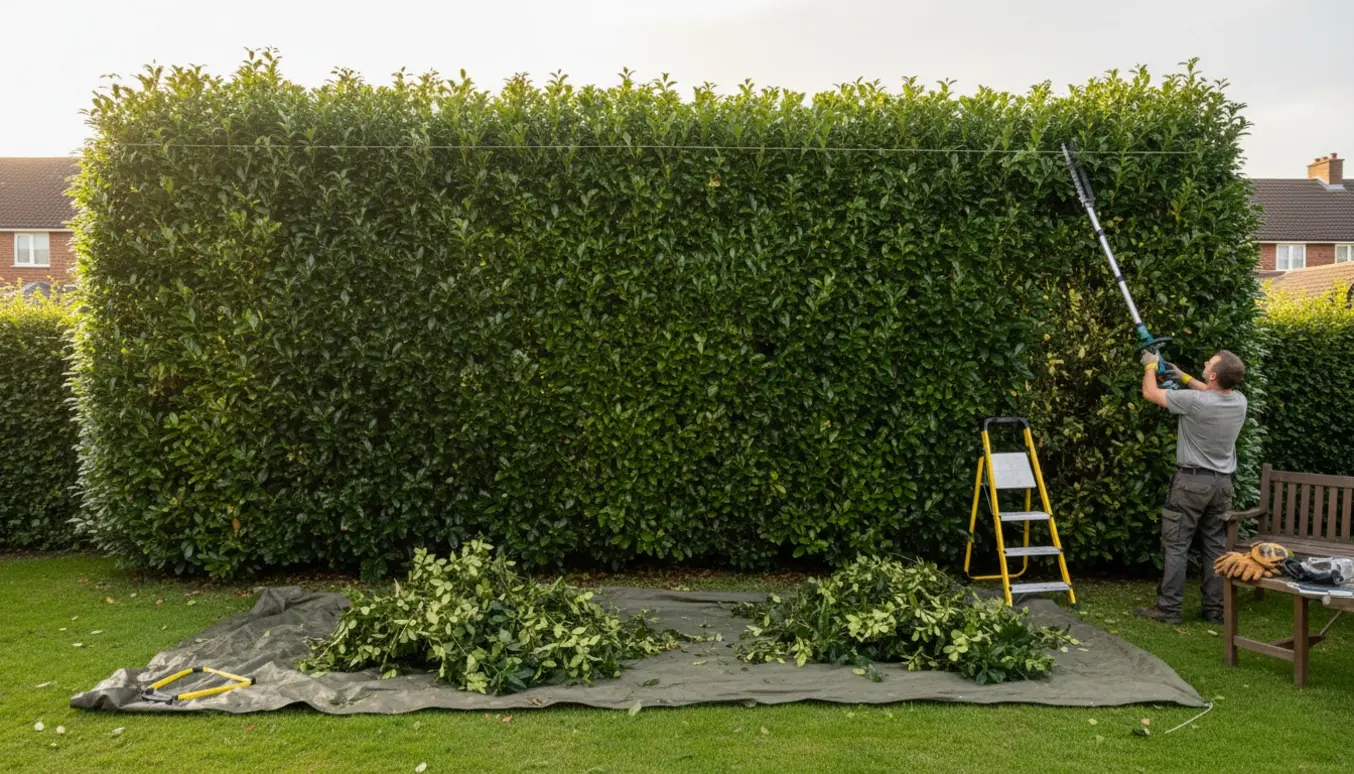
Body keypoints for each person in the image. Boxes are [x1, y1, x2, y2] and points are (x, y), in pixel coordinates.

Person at [1134, 350, 1248, 625]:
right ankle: (1215, 610)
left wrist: (1150, 367)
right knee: (1214, 546)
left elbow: (1151, 393)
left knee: (1176, 545)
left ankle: (1169, 609)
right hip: (1222, 486)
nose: (1205, 362)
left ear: (1212, 374)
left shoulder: (1194, 402)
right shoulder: (1239, 401)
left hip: (1191, 483)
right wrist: (1182, 376)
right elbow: (1209, 390)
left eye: (1209, 362)